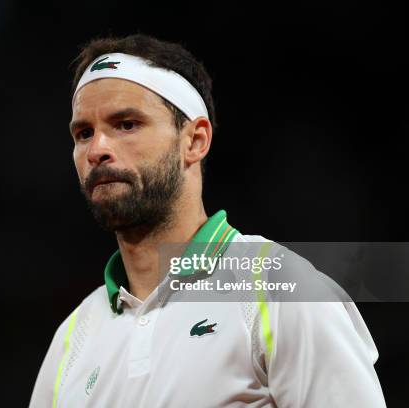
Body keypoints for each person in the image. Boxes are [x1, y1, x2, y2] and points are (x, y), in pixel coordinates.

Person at [29, 34, 386, 407]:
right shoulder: (73, 339)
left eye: (127, 124)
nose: (98, 149)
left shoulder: (281, 290)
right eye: (84, 133)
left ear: (195, 140)